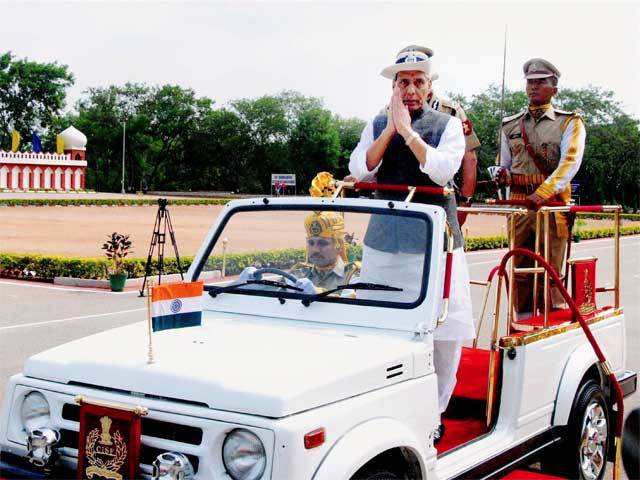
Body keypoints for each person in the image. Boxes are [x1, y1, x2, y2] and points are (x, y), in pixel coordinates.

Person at [349, 47, 474, 442]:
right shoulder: (376, 123)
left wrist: (408, 133)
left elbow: (441, 171)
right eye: (404, 82)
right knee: (379, 325)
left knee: (444, 333)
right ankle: (386, 407)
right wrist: (389, 130)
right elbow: (359, 170)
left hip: (436, 247)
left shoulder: (448, 125)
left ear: (430, 86)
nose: (411, 90)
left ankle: (435, 411)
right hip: (385, 244)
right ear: (393, 88)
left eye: (419, 82)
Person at [497, 58, 586, 316]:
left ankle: (551, 322)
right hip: (519, 204)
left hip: (552, 205)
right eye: (530, 82)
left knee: (551, 269)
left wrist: (543, 193)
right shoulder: (510, 125)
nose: (533, 87)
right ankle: (522, 322)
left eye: (541, 82)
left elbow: (570, 162)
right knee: (520, 267)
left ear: (554, 89)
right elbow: (505, 165)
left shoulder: (569, 122)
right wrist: (501, 176)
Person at [396, 45, 481, 226]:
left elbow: (470, 159)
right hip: (396, 200)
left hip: (438, 199)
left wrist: (465, 202)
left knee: (444, 250)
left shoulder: (450, 111)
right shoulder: (389, 113)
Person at [290, 211, 359, 291]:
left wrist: (317, 293)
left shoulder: (352, 275)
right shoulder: (299, 272)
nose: (315, 249)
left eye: (322, 243)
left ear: (339, 246)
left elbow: (351, 298)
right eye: (311, 243)